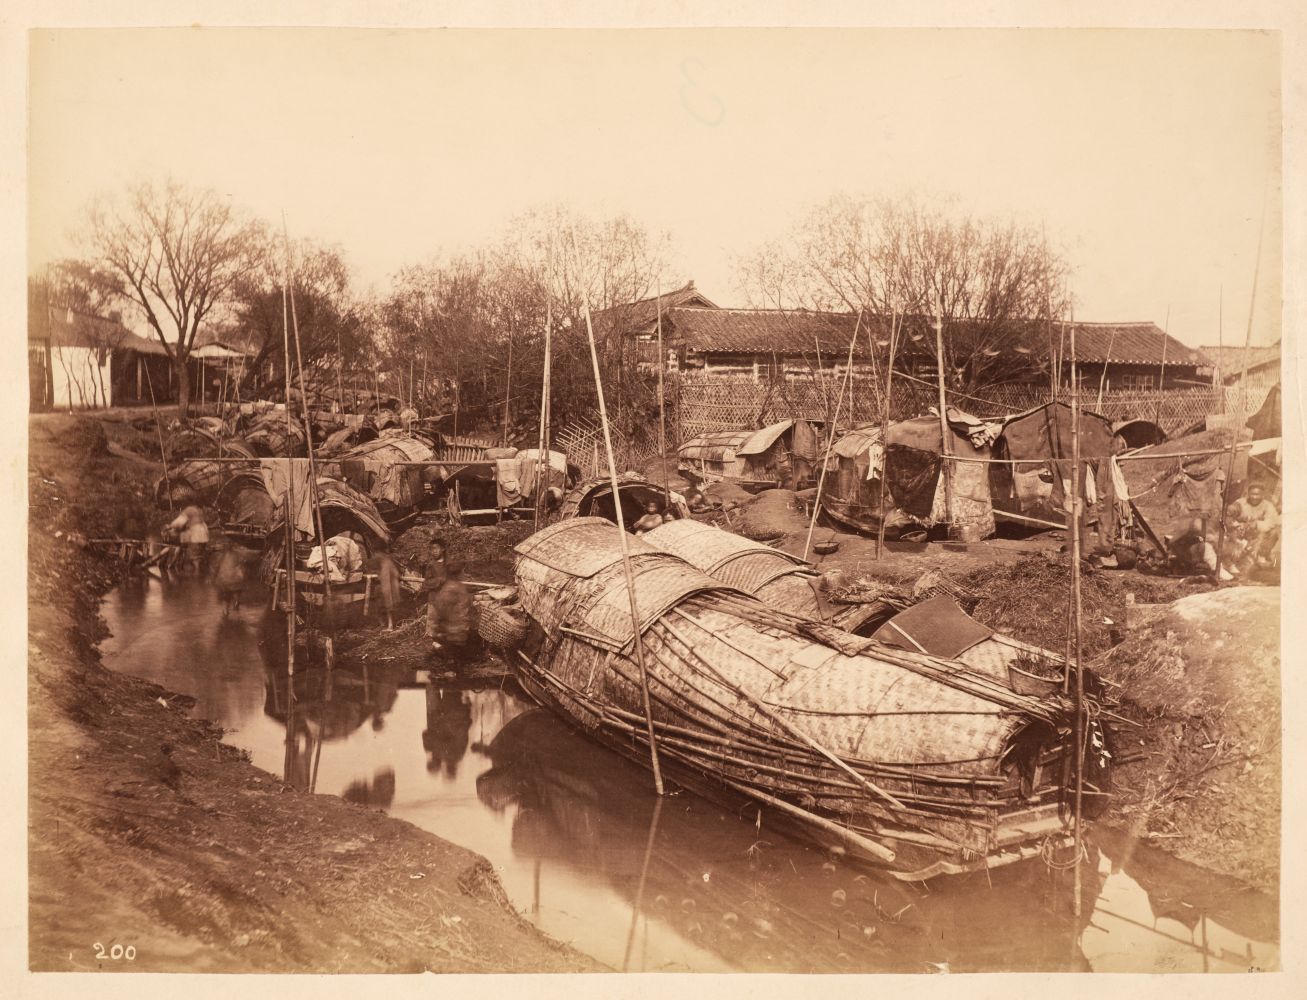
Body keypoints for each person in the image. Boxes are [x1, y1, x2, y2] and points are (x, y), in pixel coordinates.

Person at [426, 557, 478, 670]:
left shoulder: (446, 590)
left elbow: (438, 612)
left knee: (445, 651)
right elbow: (467, 609)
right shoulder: (462, 589)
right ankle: (454, 659)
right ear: (459, 574)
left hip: (450, 634)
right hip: (461, 633)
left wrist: (435, 630)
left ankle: (448, 658)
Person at [1224, 483, 1279, 575]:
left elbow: (1272, 521)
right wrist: (1236, 524)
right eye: (1252, 494)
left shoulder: (1268, 506)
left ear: (1262, 495)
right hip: (1241, 533)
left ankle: (1261, 555)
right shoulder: (1240, 503)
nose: (1254, 497)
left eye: (1257, 494)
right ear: (1248, 494)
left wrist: (1256, 524)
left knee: (1274, 531)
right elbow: (1229, 514)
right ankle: (1233, 561)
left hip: (1257, 535)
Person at [363, 544, 403, 630]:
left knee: (385, 601)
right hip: (390, 581)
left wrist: (377, 574)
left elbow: (371, 570)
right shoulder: (387, 558)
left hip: (385, 581)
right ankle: (388, 623)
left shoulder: (379, 558)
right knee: (387, 602)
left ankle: (387, 624)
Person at [212, 541, 255, 617]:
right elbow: (247, 563)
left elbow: (216, 566)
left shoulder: (221, 555)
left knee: (225, 596)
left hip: (224, 579)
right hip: (236, 579)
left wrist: (214, 576)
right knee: (237, 591)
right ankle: (236, 601)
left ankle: (225, 611)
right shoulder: (240, 554)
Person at [167, 500, 209, 573]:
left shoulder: (188, 510)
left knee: (195, 559)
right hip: (204, 535)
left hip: (196, 535)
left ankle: (196, 578)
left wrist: (169, 526)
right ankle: (200, 577)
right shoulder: (198, 510)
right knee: (198, 557)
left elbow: (179, 522)